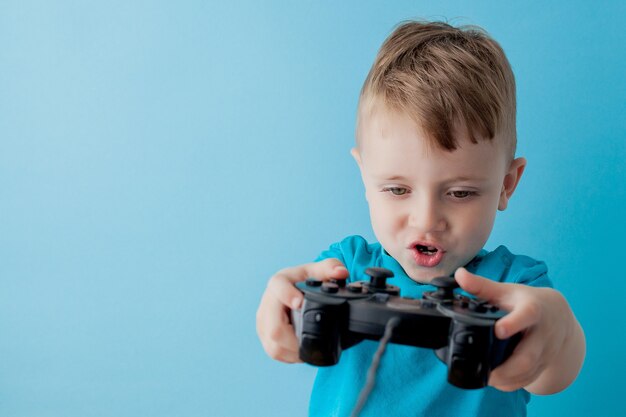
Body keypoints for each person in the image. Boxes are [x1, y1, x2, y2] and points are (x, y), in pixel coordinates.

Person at [256, 20, 586, 417]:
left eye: (461, 193)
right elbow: (284, 322)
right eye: (397, 190)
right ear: (365, 176)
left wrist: (558, 331)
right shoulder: (344, 269)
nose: (427, 219)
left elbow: (553, 371)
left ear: (506, 185)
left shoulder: (514, 287)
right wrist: (279, 311)